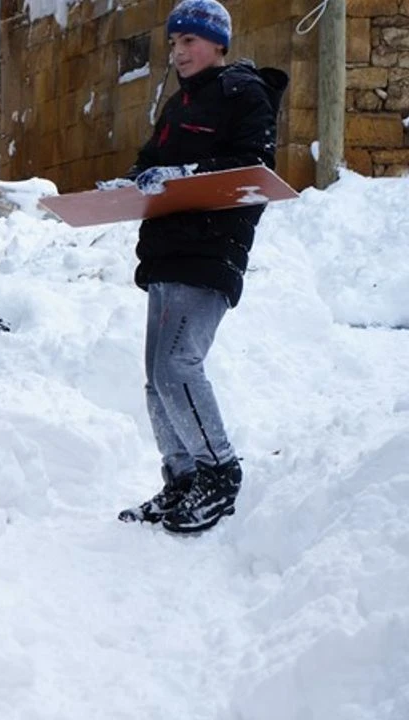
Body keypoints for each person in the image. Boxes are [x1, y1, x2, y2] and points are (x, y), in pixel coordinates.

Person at [107, 0, 288, 534]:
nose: (178, 52)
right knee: (156, 379)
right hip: (167, 249)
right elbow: (150, 165)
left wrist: (182, 173)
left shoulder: (244, 93)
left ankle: (219, 472)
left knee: (177, 367)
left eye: (188, 41)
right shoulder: (177, 104)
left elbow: (254, 168)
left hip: (211, 249)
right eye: (173, 43)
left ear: (218, 45)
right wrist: (131, 182)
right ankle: (183, 477)